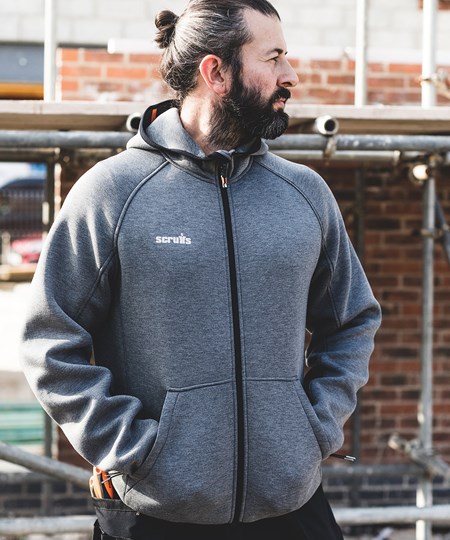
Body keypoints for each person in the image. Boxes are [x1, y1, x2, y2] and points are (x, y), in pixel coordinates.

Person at [21, 0, 381, 538]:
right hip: (157, 512)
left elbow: (352, 320)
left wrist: (313, 427)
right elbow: (49, 338)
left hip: (293, 509)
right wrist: (133, 448)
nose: (291, 75)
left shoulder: (305, 193)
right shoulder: (113, 192)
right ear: (216, 72)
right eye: (273, 58)